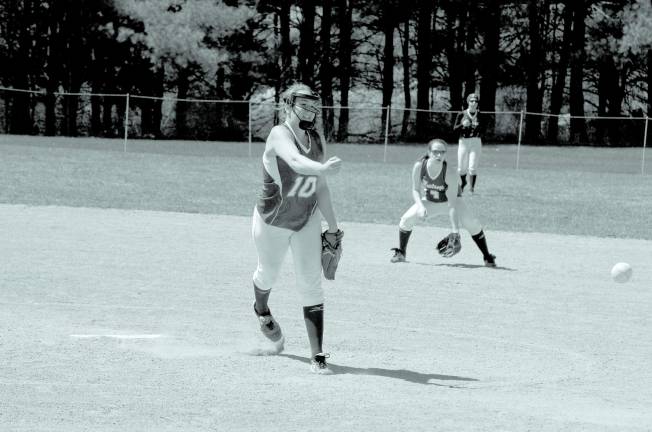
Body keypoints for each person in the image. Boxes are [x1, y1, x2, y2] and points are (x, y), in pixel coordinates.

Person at [251, 83, 342, 374]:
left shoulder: (316, 139)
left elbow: (321, 188)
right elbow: (294, 161)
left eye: (314, 105)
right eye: (304, 104)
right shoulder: (279, 134)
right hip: (273, 221)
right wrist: (322, 168)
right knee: (268, 274)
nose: (311, 110)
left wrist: (333, 227)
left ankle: (317, 356)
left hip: (305, 219)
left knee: (310, 282)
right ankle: (262, 311)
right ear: (288, 105)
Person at [390, 138, 496, 267]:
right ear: (429, 152)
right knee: (406, 220)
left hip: (452, 203)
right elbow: (415, 189)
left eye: (442, 152)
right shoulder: (419, 166)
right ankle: (401, 253)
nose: (439, 155)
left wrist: (455, 231)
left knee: (472, 224)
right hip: (430, 202)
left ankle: (487, 256)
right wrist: (420, 206)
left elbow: (452, 205)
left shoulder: (449, 172)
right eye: (435, 152)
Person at [453, 93, 483, 194]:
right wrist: (462, 125)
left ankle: (471, 189)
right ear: (468, 102)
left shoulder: (480, 115)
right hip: (463, 141)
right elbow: (454, 129)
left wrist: (478, 127)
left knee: (472, 167)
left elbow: (485, 129)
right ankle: (463, 182)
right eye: (471, 101)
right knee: (461, 168)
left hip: (475, 141)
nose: (474, 103)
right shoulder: (462, 114)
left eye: (476, 101)